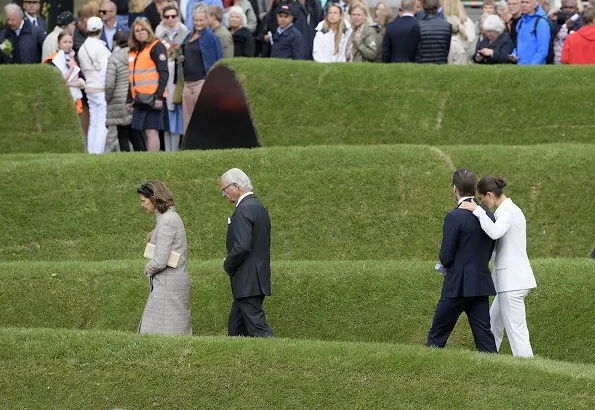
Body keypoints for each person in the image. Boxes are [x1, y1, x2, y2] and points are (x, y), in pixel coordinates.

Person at [459, 177, 537, 357]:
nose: (482, 203)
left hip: (513, 283)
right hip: (507, 283)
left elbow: (495, 232)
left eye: (482, 199)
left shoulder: (508, 211)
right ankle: (488, 361)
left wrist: (477, 211)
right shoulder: (506, 210)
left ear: (489, 194)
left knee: (517, 331)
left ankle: (528, 369)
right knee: (493, 324)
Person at [427, 169, 497, 353]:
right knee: (485, 339)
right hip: (480, 284)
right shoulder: (488, 215)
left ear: (455, 189)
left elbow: (446, 256)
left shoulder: (454, 217)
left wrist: (444, 266)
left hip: (457, 285)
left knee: (437, 335)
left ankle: (427, 372)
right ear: (475, 190)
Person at [220, 168, 274, 338]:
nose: (223, 194)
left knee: (258, 329)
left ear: (235, 186)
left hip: (247, 280)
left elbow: (242, 246)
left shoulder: (243, 209)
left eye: (224, 189)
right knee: (236, 327)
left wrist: (227, 263)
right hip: (255, 278)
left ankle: (279, 358)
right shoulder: (258, 207)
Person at [137, 180, 192, 335]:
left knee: (159, 330)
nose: (142, 205)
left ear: (154, 198)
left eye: (143, 201)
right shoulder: (168, 217)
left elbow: (160, 260)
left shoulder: (167, 220)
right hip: (173, 280)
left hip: (168, 283)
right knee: (173, 329)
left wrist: (148, 268)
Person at [128, 17, 169, 152]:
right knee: (144, 131)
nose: (139, 33)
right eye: (137, 31)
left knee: (152, 131)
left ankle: (153, 160)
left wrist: (159, 97)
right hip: (139, 98)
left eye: (142, 30)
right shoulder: (135, 50)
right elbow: (132, 77)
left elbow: (164, 73)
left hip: (153, 97)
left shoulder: (156, 46)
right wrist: (129, 99)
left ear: (148, 30)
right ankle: (149, 158)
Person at [181, 4, 223, 134]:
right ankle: (190, 149)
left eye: (201, 20)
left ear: (207, 20)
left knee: (203, 117)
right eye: (196, 20)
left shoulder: (211, 38)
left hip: (202, 82)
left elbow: (218, 60)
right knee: (187, 120)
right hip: (187, 83)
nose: (198, 23)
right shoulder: (188, 37)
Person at [155, 4, 189, 150]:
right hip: (163, 77)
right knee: (166, 113)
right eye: (167, 16)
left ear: (178, 17)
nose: (170, 19)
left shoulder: (185, 32)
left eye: (173, 16)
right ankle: (168, 149)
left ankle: (175, 148)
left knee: (176, 112)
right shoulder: (159, 32)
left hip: (178, 77)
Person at [106, 31, 146, 152]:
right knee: (136, 133)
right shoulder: (137, 55)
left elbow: (109, 83)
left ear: (115, 42)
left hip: (118, 100)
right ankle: (144, 159)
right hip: (136, 97)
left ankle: (126, 160)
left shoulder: (114, 57)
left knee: (122, 134)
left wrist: (108, 98)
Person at [79, 16, 112, 154]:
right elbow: (105, 71)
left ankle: (92, 151)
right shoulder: (100, 48)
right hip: (101, 88)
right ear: (101, 29)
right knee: (102, 123)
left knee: (93, 121)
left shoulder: (82, 47)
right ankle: (98, 153)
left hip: (89, 87)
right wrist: (109, 88)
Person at [43, 32, 86, 116]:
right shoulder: (51, 61)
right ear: (58, 44)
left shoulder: (73, 59)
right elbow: (57, 81)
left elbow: (82, 80)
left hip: (74, 101)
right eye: (65, 42)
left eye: (70, 42)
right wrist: (71, 69)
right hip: (58, 100)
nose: (68, 45)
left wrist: (69, 84)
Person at [511, 0, 550, 64]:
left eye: (527, 2)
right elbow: (519, 45)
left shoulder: (541, 22)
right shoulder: (520, 22)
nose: (524, 5)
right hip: (520, 67)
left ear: (535, 4)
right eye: (522, 2)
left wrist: (530, 69)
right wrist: (514, 53)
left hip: (535, 70)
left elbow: (542, 51)